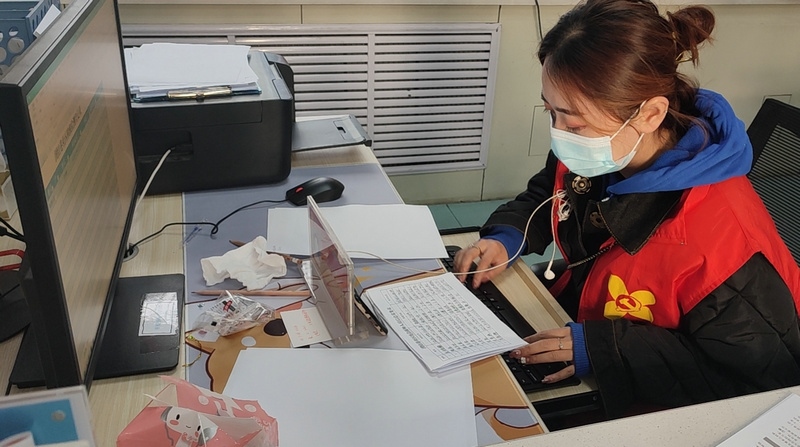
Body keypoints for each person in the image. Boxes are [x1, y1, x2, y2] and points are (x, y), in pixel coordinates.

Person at [453, 0, 800, 419]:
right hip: (582, 315)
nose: (559, 134)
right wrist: (508, 235)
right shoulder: (608, 149)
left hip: (652, 401)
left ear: (650, 114)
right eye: (551, 111)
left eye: (573, 122)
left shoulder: (722, 247)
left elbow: (763, 380)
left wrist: (605, 349)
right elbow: (552, 192)